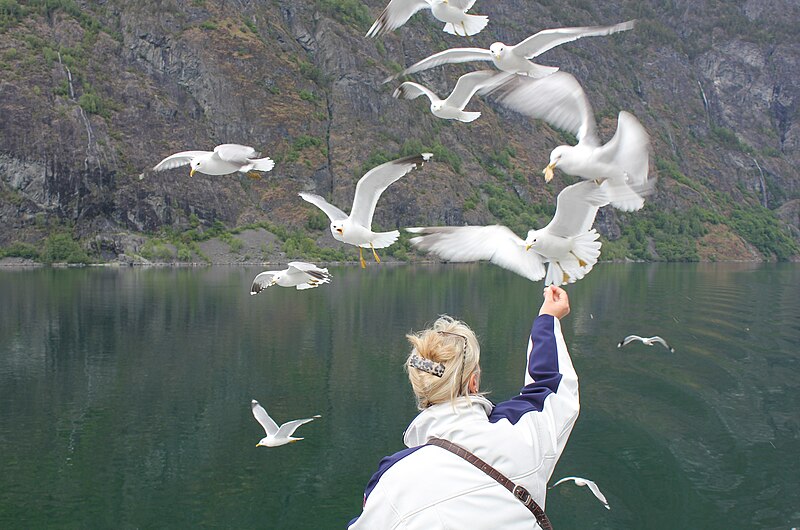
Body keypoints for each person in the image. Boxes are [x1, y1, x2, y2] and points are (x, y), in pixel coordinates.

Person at [348, 285, 577, 529]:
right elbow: (551, 386)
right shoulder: (523, 435)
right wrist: (547, 318)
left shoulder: (391, 483)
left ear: (419, 388)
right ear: (473, 382)